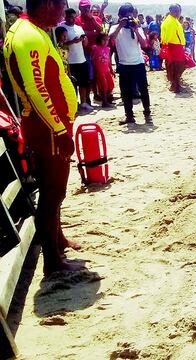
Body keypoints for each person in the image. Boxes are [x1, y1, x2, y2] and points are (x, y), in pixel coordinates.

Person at [4, 0, 85, 275]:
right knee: (52, 193)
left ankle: (58, 240)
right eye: (62, 4)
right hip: (48, 126)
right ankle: (52, 260)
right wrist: (60, 131)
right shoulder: (27, 35)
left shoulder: (30, 30)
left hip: (50, 124)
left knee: (54, 192)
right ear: (48, 3)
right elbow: (35, 89)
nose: (64, 10)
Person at [109, 3, 152, 125]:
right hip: (124, 64)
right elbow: (111, 39)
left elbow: (144, 44)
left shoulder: (137, 27)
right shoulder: (115, 28)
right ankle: (129, 116)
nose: (128, 19)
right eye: (126, 16)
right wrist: (120, 26)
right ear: (120, 16)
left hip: (138, 63)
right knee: (125, 92)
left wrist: (135, 29)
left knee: (143, 90)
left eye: (130, 16)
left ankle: (147, 113)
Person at [60, 8, 92, 112]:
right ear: (65, 16)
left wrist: (84, 39)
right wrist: (72, 42)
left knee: (83, 83)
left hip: (81, 58)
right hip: (70, 61)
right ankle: (74, 104)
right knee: (72, 84)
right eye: (70, 17)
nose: (72, 19)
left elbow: (85, 44)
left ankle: (83, 103)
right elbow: (60, 43)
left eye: (74, 17)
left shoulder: (78, 28)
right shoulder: (61, 27)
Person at [76, 0, 105, 103]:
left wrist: (92, 19)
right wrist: (92, 32)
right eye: (84, 7)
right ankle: (87, 98)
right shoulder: (77, 20)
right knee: (89, 75)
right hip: (84, 51)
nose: (86, 9)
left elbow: (101, 30)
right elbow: (80, 34)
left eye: (88, 7)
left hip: (96, 51)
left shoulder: (95, 19)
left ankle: (97, 95)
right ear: (80, 8)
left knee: (98, 73)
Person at [161, 4, 186, 93]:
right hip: (173, 46)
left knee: (178, 66)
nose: (178, 13)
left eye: (179, 11)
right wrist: (167, 48)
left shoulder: (174, 20)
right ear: (171, 11)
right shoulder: (170, 21)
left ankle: (175, 84)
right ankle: (175, 86)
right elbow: (167, 37)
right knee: (177, 66)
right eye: (175, 11)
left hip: (176, 46)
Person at [92, 32, 115, 108]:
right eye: (104, 40)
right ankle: (104, 102)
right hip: (99, 70)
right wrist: (94, 70)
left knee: (110, 85)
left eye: (107, 40)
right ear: (99, 40)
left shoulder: (108, 49)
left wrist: (111, 70)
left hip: (106, 70)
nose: (106, 42)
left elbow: (109, 61)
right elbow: (93, 59)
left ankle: (108, 99)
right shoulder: (95, 48)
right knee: (103, 85)